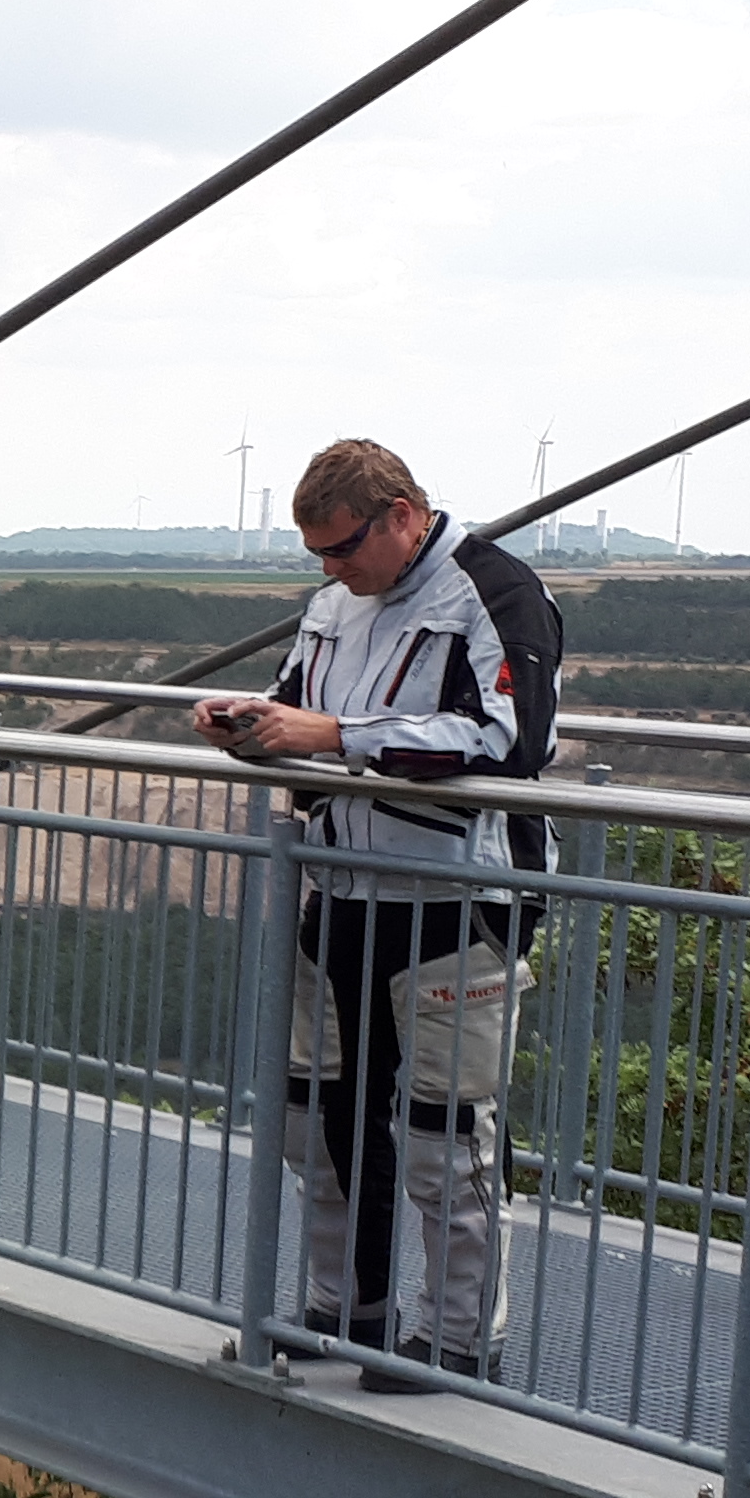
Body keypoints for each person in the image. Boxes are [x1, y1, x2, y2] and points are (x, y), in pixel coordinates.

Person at [190, 437, 564, 1391]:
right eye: (318, 554)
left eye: (345, 546)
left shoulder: (496, 593)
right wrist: (249, 724)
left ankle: (453, 1344)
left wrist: (340, 736)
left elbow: (507, 739)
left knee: (447, 1137)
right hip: (341, 890)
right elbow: (294, 706)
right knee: (320, 1119)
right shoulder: (333, 604)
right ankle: (344, 1312)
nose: (332, 570)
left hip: (454, 901)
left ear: (402, 514)